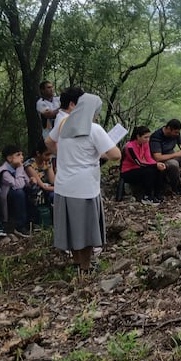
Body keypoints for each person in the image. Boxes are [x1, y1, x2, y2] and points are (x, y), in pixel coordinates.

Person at [53, 93, 121, 274]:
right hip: (84, 187)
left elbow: (49, 142)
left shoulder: (63, 124)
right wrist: (96, 153)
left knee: (71, 226)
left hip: (63, 185)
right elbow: (115, 155)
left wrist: (65, 156)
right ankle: (86, 266)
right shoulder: (94, 129)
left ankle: (76, 263)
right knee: (85, 227)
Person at [0, 144, 37, 238]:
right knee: (19, 193)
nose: (22, 157)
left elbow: (25, 182)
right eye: (18, 155)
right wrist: (20, 168)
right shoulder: (4, 171)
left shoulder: (17, 168)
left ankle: (32, 221)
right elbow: (18, 186)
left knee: (32, 191)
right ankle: (19, 226)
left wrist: (31, 182)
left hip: (18, 196)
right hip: (6, 199)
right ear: (9, 158)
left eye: (22, 154)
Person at [121, 126, 167, 204]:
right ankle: (147, 197)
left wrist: (157, 164)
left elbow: (148, 158)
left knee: (158, 170)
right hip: (128, 172)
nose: (148, 139)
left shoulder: (145, 144)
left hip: (139, 169)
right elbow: (139, 162)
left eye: (149, 137)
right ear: (138, 136)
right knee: (149, 171)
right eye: (145, 137)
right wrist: (155, 165)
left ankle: (157, 194)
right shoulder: (130, 147)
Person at [45, 86, 85, 154]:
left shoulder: (61, 116)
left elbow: (49, 141)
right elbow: (48, 142)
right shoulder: (67, 122)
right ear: (72, 105)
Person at [24, 139, 56, 217]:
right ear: (38, 153)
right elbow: (42, 185)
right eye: (47, 154)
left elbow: (52, 180)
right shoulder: (29, 165)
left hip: (46, 187)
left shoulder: (47, 162)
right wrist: (59, 189)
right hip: (34, 189)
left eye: (51, 154)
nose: (50, 157)